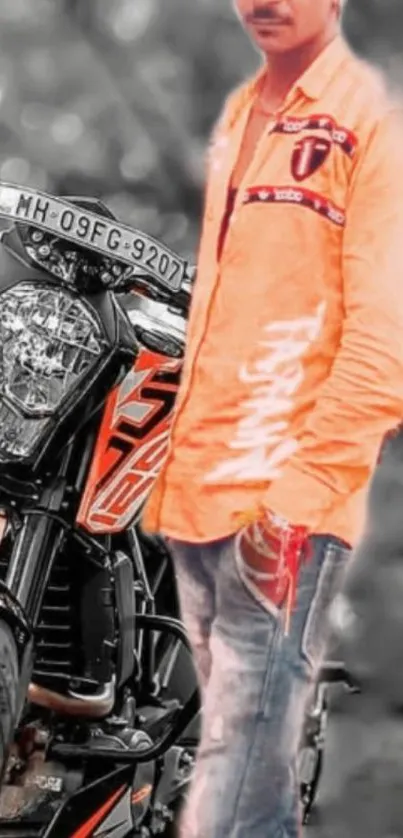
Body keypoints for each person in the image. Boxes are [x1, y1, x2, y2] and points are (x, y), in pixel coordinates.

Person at [142, 1, 403, 835]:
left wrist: (296, 496)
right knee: (231, 766)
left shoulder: (369, 125)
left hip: (281, 502)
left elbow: (384, 347)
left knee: (234, 774)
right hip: (197, 496)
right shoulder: (240, 116)